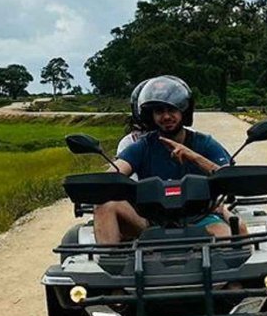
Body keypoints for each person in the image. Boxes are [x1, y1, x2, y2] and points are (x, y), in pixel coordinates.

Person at [94, 76, 232, 243]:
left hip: (199, 218)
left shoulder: (204, 143)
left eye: (172, 110)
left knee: (226, 237)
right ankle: (112, 264)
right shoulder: (143, 146)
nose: (166, 116)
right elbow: (114, 173)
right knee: (104, 203)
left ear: (184, 111)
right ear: (151, 116)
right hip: (151, 221)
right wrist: (108, 182)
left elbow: (228, 176)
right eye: (159, 111)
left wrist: (193, 157)